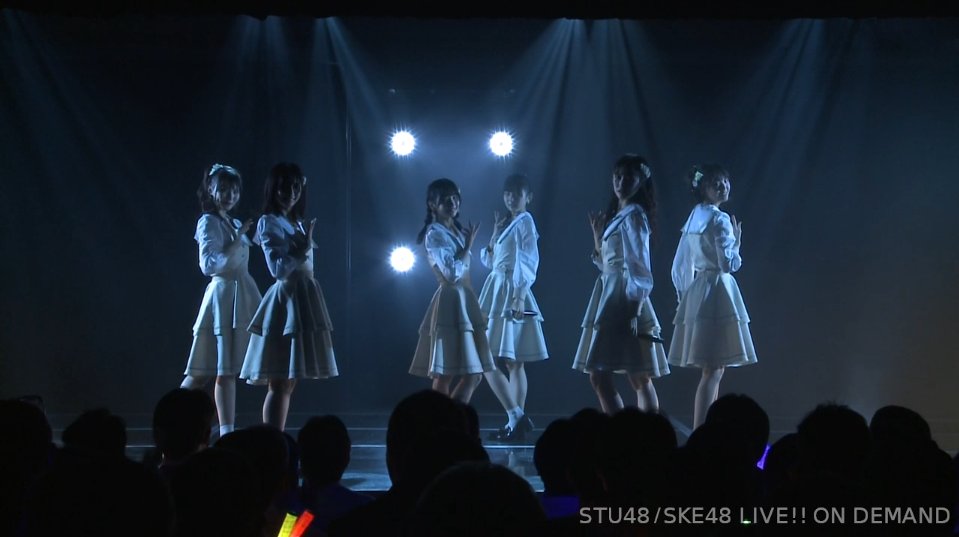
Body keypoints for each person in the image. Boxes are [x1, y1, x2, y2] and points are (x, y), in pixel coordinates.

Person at [240, 162, 338, 431]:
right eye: (285, 187)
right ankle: (272, 439)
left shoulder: (295, 222)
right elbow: (277, 270)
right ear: (274, 189)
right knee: (280, 379)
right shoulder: (269, 221)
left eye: (296, 187)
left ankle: (275, 437)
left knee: (288, 381)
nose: (291, 193)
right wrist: (299, 250)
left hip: (303, 297)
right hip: (287, 302)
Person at [572, 154, 670, 414]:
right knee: (630, 375)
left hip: (624, 299)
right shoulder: (621, 215)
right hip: (612, 293)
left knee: (628, 375)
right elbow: (608, 264)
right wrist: (597, 239)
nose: (621, 182)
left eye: (629, 177)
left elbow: (640, 267)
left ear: (640, 181)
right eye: (617, 176)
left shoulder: (634, 216)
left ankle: (635, 431)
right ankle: (631, 432)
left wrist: (633, 311)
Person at [669, 164, 757, 429]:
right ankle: (701, 430)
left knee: (712, 368)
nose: (722, 186)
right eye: (715, 183)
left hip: (699, 289)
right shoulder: (719, 219)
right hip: (717, 288)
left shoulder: (695, 215)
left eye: (725, 181)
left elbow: (680, 265)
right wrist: (737, 245)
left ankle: (706, 428)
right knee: (714, 368)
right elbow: (728, 264)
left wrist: (684, 296)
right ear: (703, 188)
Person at [181, 163, 261, 438]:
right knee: (207, 370)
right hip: (223, 297)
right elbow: (208, 264)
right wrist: (236, 240)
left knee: (224, 369)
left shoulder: (235, 223)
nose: (230, 196)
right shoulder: (208, 222)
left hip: (242, 296)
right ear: (211, 190)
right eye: (223, 190)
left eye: (234, 191)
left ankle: (224, 430)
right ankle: (177, 417)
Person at [409, 178, 495, 403]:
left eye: (455, 198)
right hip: (451, 300)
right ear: (432, 204)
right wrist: (467, 246)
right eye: (445, 199)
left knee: (473, 373)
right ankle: (442, 418)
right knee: (446, 371)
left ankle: (451, 418)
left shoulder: (454, 231)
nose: (452, 203)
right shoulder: (434, 234)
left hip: (463, 298)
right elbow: (452, 273)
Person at [477, 173, 548, 442]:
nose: (510, 198)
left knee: (492, 358)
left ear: (528, 197)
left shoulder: (525, 220)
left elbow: (528, 259)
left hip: (510, 291)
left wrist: (518, 296)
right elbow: (489, 261)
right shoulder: (509, 223)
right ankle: (515, 420)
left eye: (517, 193)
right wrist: (495, 233)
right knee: (512, 361)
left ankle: (515, 417)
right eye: (507, 193)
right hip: (498, 288)